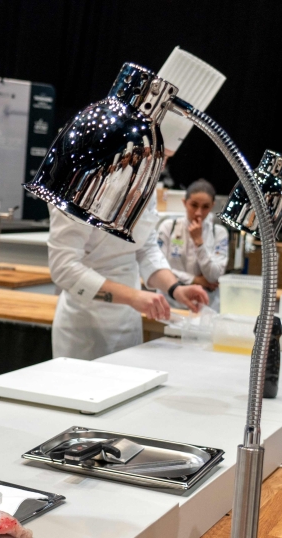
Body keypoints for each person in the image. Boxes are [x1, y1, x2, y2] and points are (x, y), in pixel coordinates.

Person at [47, 47, 222, 361]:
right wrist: (134, 297)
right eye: (156, 156)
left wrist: (175, 289)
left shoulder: (145, 178)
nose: (159, 165)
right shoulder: (84, 178)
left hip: (128, 322)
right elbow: (63, 268)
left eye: (165, 158)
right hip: (83, 326)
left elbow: (145, 247)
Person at [156, 179, 229, 310]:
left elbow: (214, 276)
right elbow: (159, 269)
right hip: (170, 303)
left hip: (206, 306)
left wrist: (199, 243)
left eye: (205, 207)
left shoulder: (219, 233)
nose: (198, 213)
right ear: (184, 203)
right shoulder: (168, 227)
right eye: (194, 205)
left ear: (212, 206)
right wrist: (195, 280)